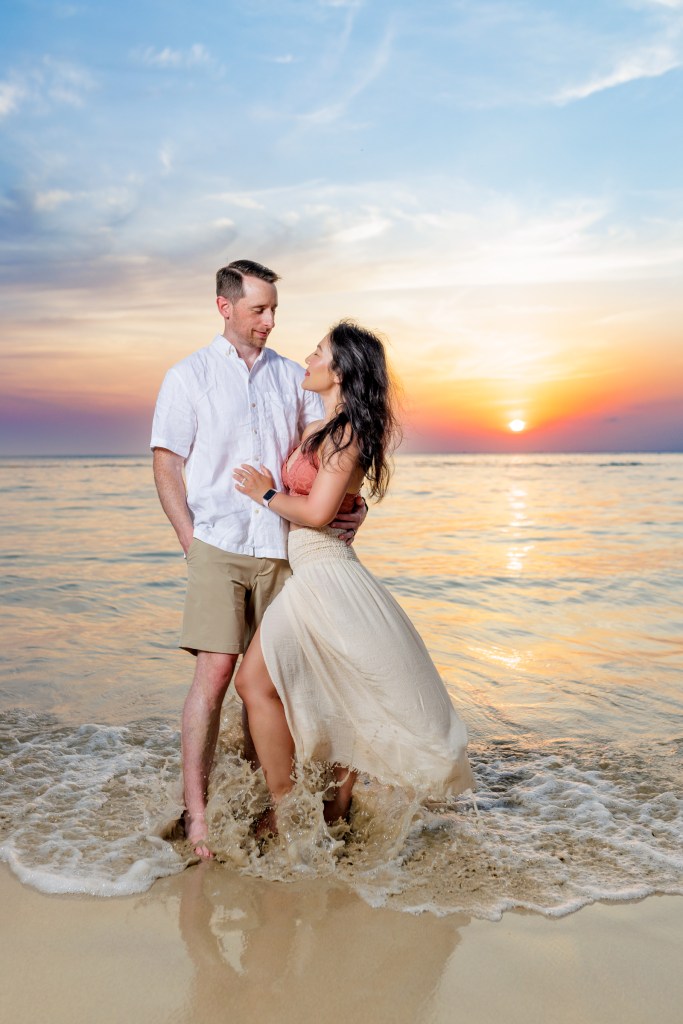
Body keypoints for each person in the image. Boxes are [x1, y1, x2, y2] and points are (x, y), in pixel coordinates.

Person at [151, 261, 367, 858]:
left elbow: (321, 454)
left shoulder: (288, 377)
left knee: (272, 686)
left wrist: (352, 504)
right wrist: (189, 537)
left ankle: (264, 803)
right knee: (216, 675)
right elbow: (167, 462)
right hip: (217, 543)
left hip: (280, 548)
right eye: (258, 310)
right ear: (225, 307)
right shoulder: (187, 376)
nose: (270, 321)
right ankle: (197, 817)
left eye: (274, 310)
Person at [232, 321, 474, 836]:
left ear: (339, 369)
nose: (308, 356)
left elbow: (318, 512)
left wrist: (266, 495)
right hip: (314, 574)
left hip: (325, 573)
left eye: (318, 351)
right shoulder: (321, 430)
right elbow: (330, 500)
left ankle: (288, 809)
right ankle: (320, 810)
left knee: (255, 681)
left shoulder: (347, 435)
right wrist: (348, 503)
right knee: (331, 688)